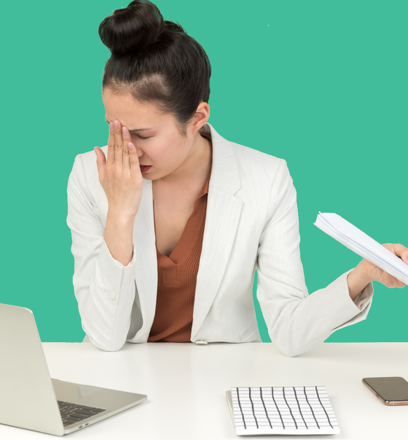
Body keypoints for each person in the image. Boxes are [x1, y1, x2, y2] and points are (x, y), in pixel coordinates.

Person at [66, 0, 408, 356]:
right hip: (123, 379)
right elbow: (105, 337)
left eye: (144, 135)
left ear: (197, 118)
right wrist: (120, 216)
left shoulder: (267, 179)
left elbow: (289, 331)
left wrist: (362, 274)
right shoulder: (90, 176)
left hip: (225, 376)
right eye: (114, 129)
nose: (126, 149)